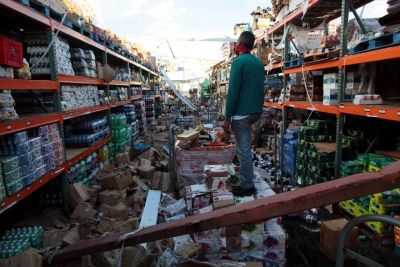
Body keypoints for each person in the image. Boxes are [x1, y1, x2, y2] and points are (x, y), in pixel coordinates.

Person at [223, 31, 265, 197]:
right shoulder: (257, 63)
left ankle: (247, 185)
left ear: (239, 43)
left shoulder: (238, 62)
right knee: (245, 149)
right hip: (255, 111)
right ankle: (247, 178)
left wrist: (227, 118)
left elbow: (233, 92)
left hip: (241, 114)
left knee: (243, 151)